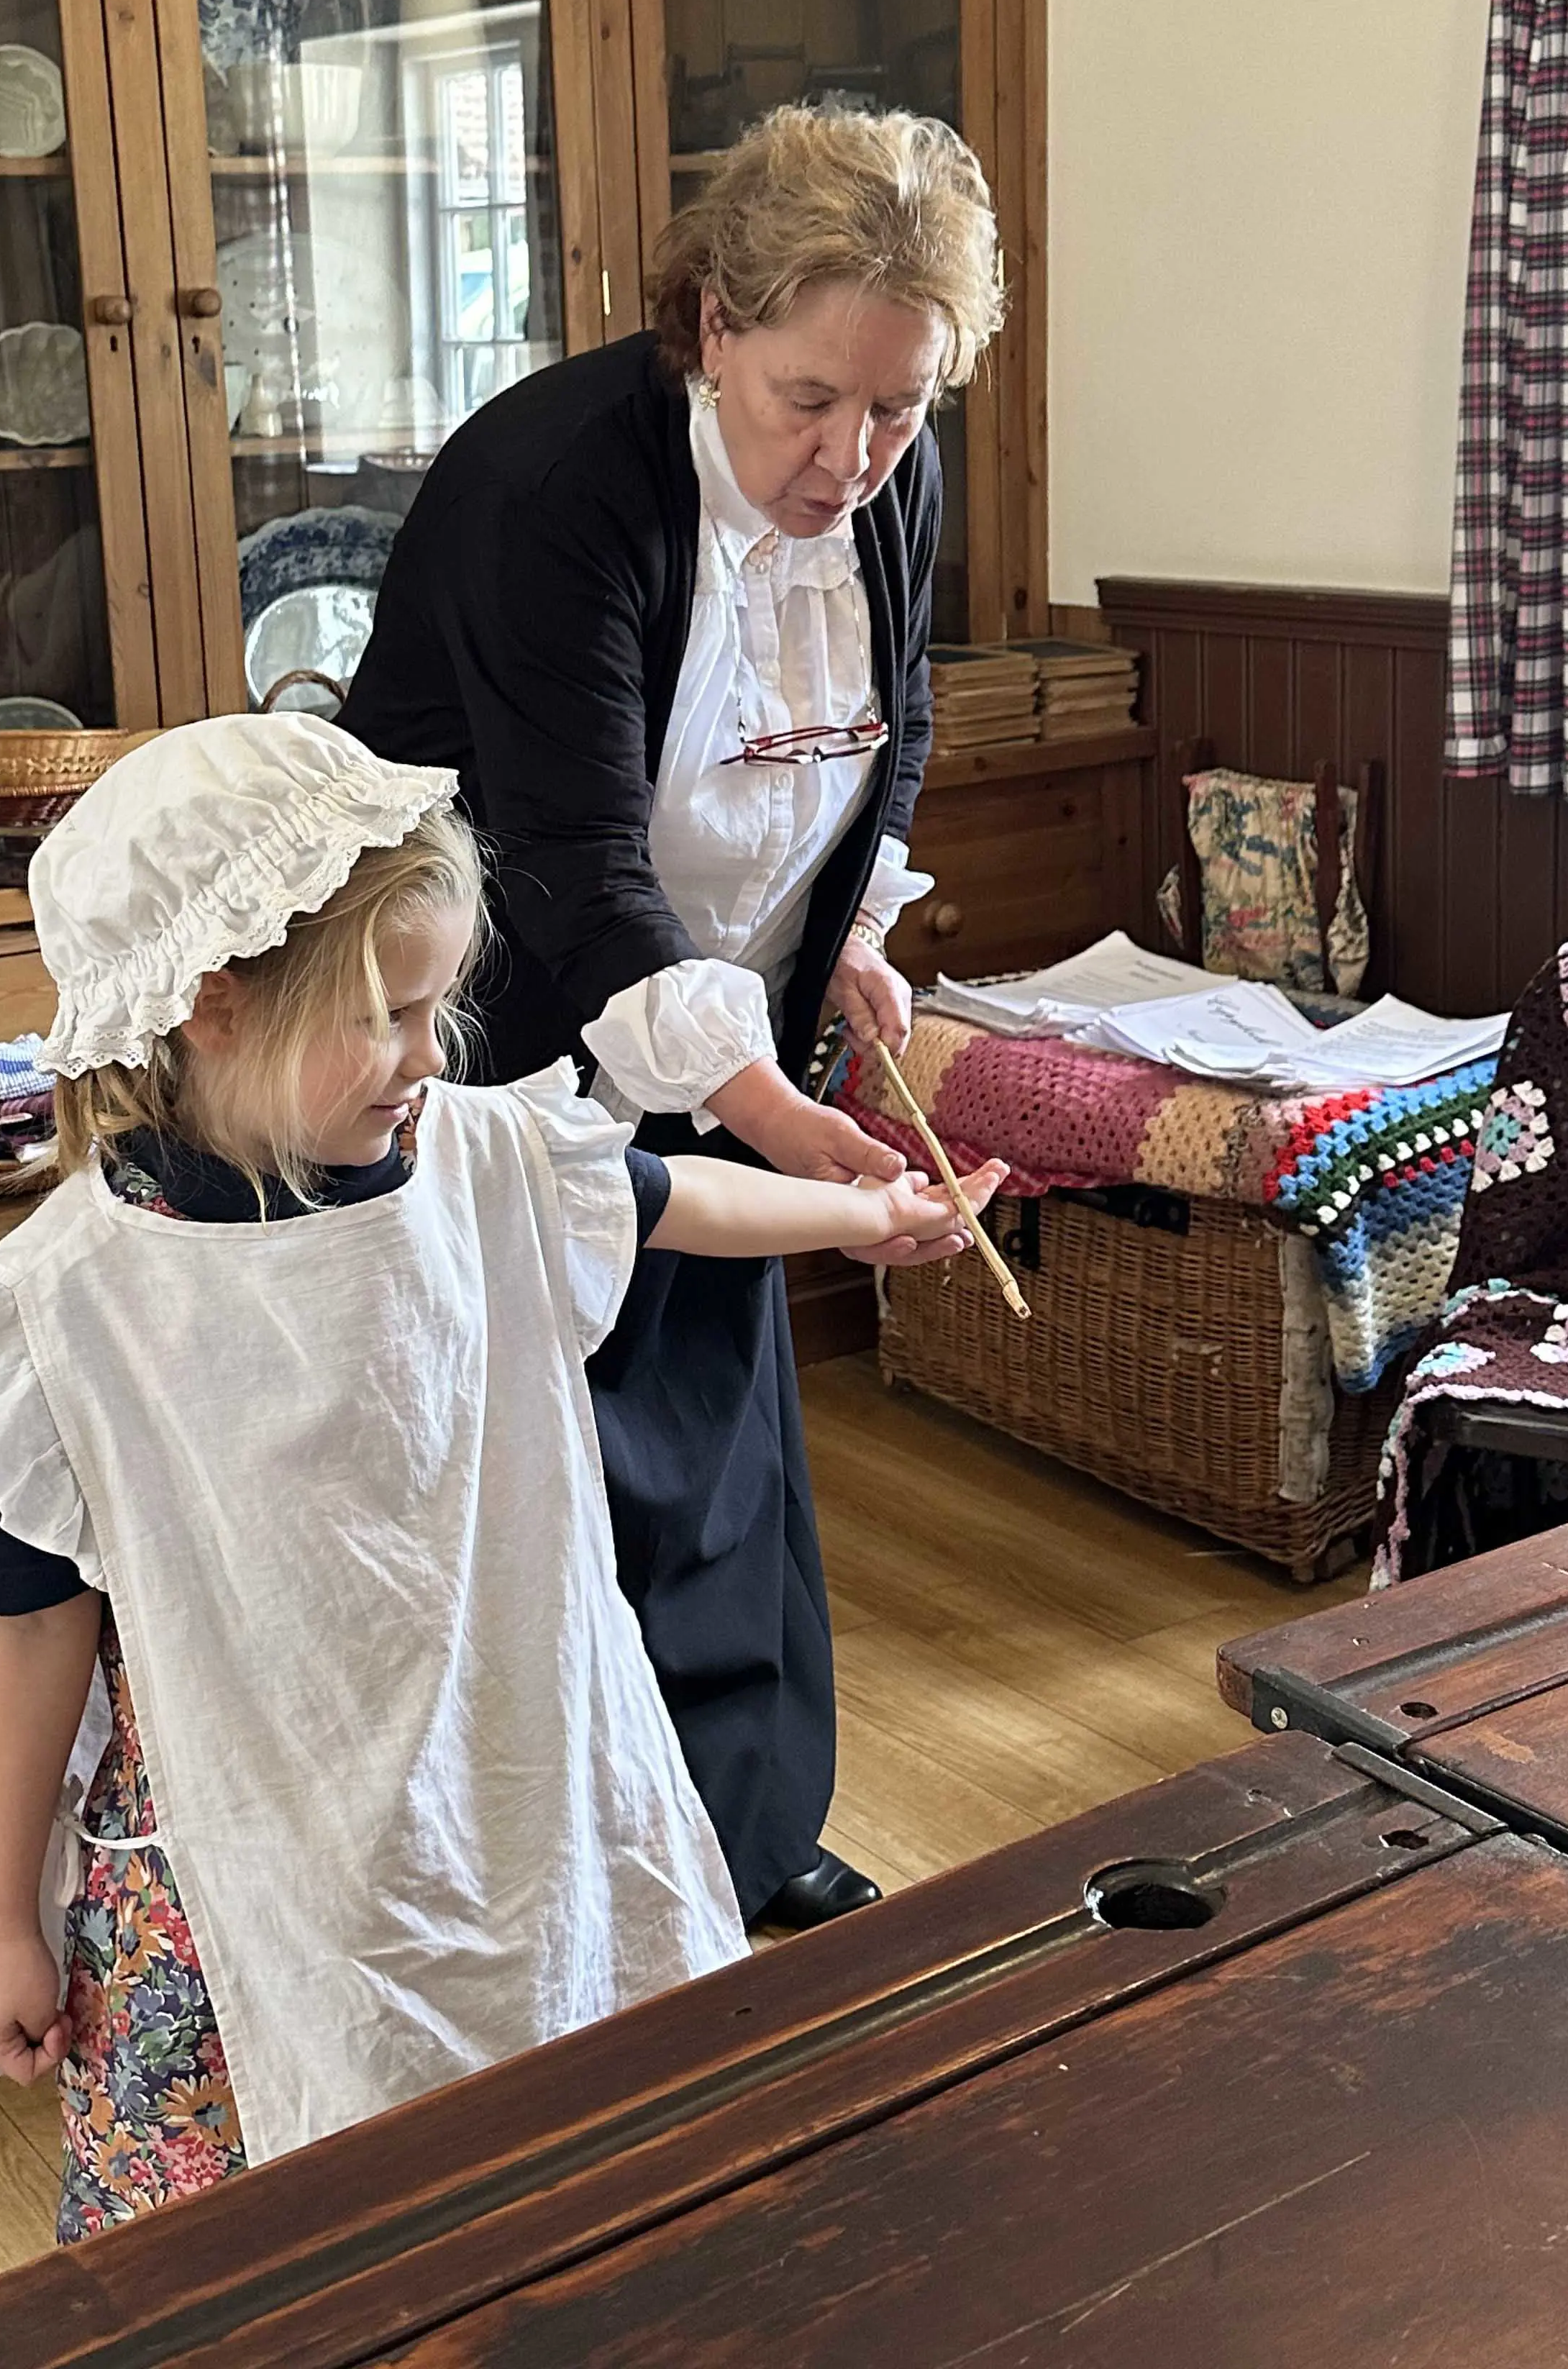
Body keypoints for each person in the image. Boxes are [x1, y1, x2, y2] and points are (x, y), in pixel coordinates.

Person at [0, 713, 970, 2237]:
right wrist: (8, 1921)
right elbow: (29, 1633)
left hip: (525, 1783)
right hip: (241, 1859)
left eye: (439, 1006)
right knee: (272, 2256)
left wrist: (864, 1217)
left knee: (577, 2180)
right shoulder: (62, 1314)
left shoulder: (479, 1161)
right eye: (386, 1015)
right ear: (212, 1007)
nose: (423, 1057)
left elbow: (663, 1197)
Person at [342, 104, 1008, 1932]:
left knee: (714, 1407)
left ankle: (737, 1832)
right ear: (711, 321)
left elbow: (895, 723)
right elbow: (561, 855)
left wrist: (848, 935)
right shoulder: (557, 486)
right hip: (481, 993)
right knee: (532, 1440)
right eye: (809, 399)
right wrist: (769, 1109)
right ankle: (539, 1870)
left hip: (721, 984)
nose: (854, 456)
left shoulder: (886, 460)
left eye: (898, 408)